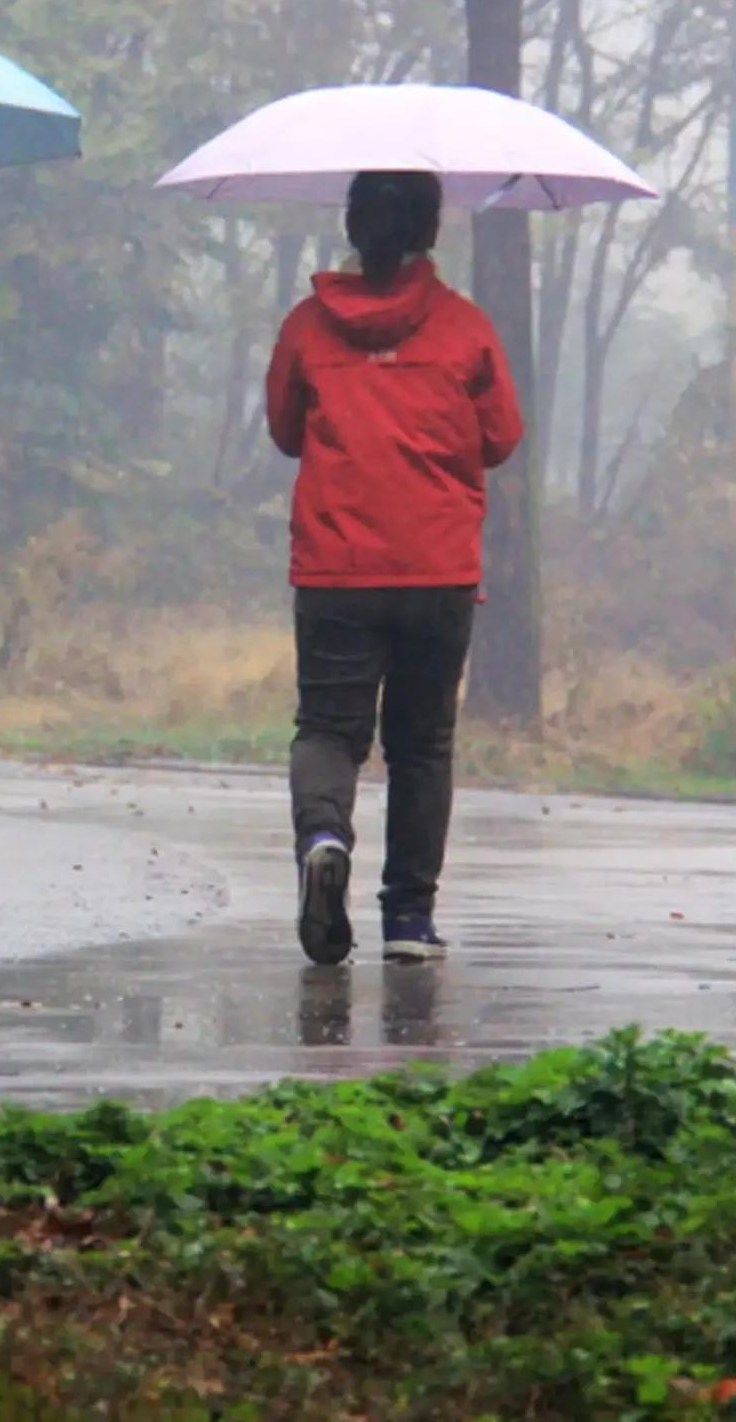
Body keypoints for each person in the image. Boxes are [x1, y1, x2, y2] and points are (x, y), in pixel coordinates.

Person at [263, 170, 522, 967]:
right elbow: (501, 437)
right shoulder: (465, 330)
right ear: (429, 230)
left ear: (352, 224)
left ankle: (322, 837)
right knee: (420, 745)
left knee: (329, 729)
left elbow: (283, 430)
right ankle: (407, 918)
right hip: (435, 568)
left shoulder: (308, 327)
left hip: (337, 566)